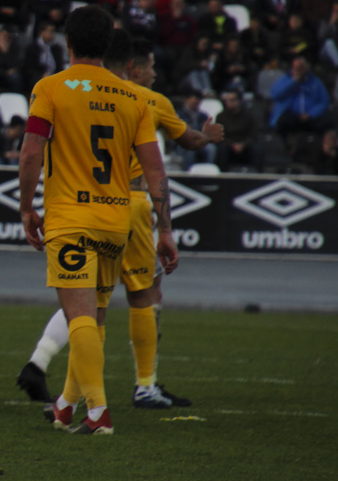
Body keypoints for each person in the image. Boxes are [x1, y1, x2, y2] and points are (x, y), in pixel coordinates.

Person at [18, 35, 219, 411]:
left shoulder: (61, 90)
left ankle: (62, 391)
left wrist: (27, 206)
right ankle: (143, 386)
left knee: (88, 305)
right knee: (143, 294)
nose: (155, 74)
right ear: (132, 68)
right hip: (128, 207)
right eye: (151, 67)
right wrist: (207, 136)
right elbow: (178, 150)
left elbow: (34, 149)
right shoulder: (144, 100)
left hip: (80, 206)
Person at [215, 89, 259, 171]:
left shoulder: (249, 116)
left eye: (232, 100)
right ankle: (222, 177)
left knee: (257, 150)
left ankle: (257, 176)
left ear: (239, 101)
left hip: (245, 145)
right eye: (227, 100)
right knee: (222, 149)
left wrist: (243, 144)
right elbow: (219, 136)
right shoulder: (221, 116)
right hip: (228, 145)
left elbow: (253, 135)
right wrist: (232, 144)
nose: (228, 102)